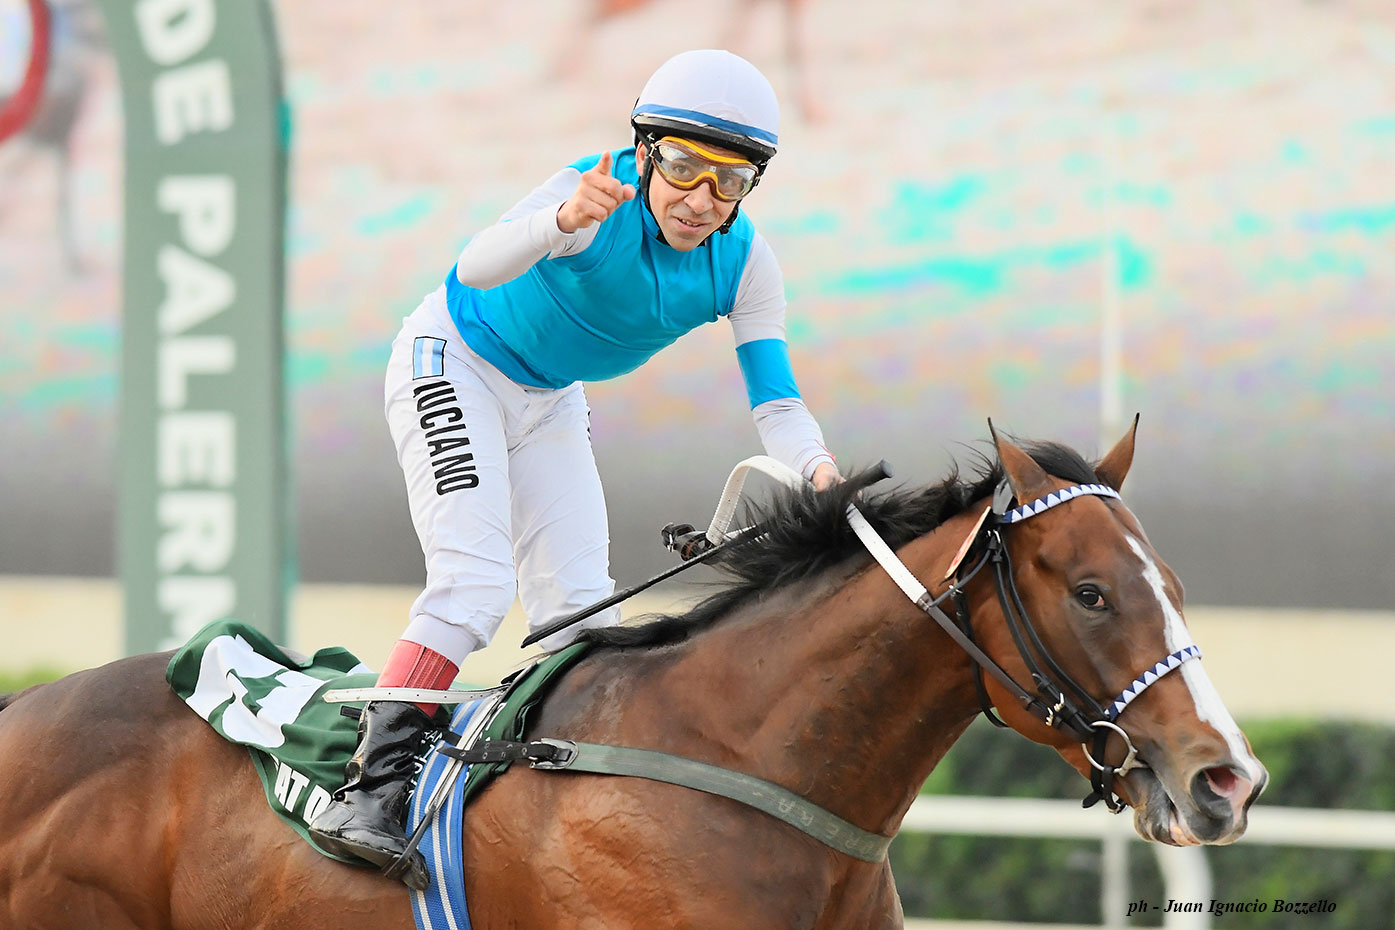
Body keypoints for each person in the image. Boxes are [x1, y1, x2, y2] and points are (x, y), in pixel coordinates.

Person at [308, 48, 841, 887]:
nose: (701, 200)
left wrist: (821, 475)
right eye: (683, 167)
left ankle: (536, 795)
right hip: (453, 360)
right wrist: (558, 222)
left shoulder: (747, 263)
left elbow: (776, 404)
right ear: (644, 152)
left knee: (581, 611)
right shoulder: (591, 194)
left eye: (730, 181)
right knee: (474, 587)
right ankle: (366, 792)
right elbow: (472, 268)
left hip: (549, 396)